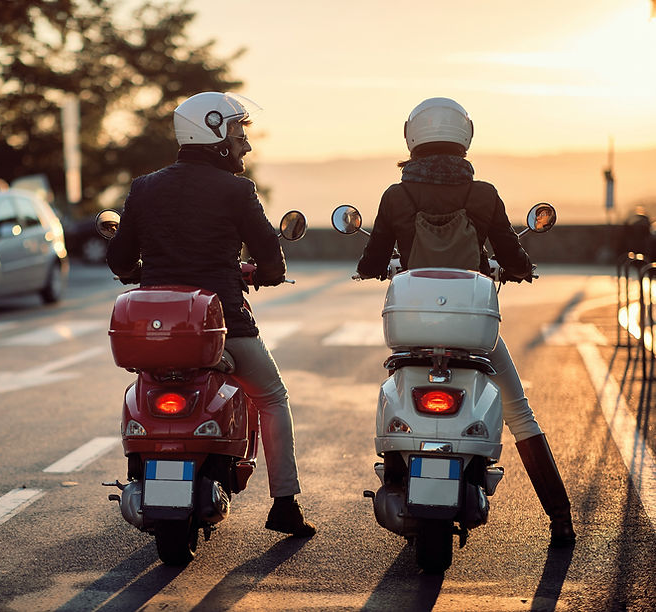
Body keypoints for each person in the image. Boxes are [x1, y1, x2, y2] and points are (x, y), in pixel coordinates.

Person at [357, 97, 576, 548]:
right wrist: (520, 268)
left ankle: (400, 474)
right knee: (520, 413)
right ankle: (560, 519)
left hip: (415, 327)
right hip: (471, 326)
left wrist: (372, 268)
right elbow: (512, 255)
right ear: (465, 135)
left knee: (397, 390)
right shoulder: (484, 194)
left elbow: (373, 258)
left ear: (411, 135)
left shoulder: (396, 196)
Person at [106, 91, 316, 537]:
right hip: (223, 325)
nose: (245, 143)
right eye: (239, 131)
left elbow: (120, 259)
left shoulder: (145, 186)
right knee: (273, 398)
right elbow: (272, 260)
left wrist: (140, 273)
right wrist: (263, 274)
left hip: (157, 332)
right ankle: (284, 504)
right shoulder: (236, 190)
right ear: (217, 132)